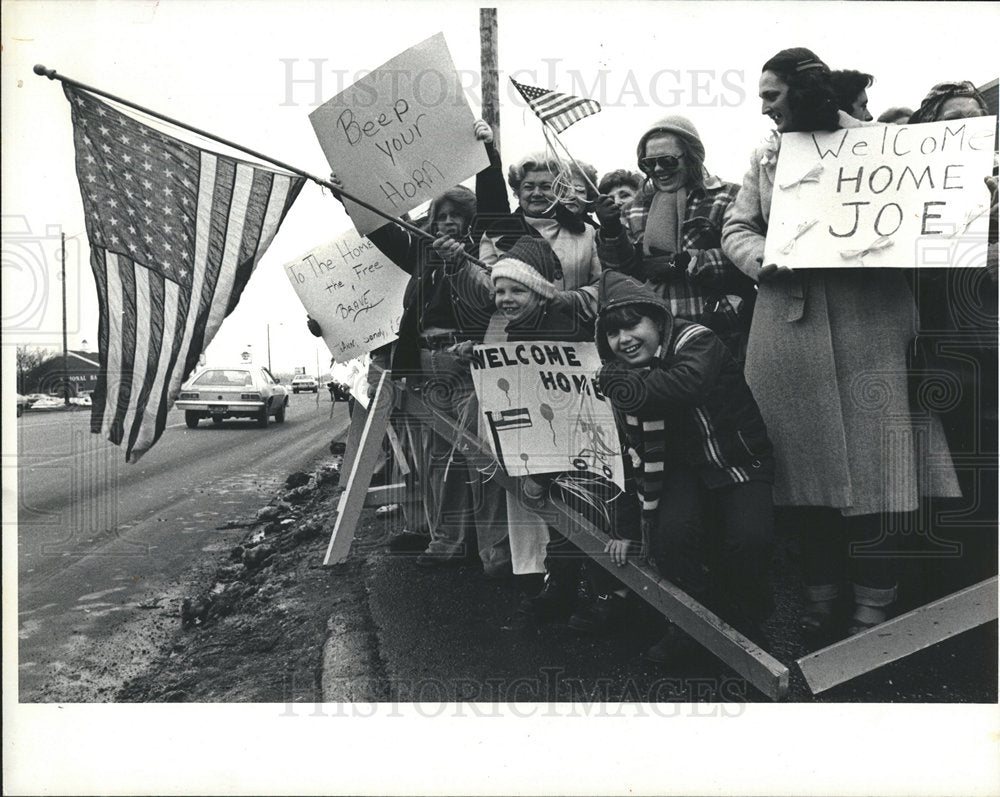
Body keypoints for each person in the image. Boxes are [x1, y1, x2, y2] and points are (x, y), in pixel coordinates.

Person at [721, 47, 961, 641]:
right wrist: (762, 260)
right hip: (789, 340)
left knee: (883, 479)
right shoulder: (767, 155)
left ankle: (873, 607)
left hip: (870, 334)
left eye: (771, 96)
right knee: (803, 484)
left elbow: (934, 222)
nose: (763, 108)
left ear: (803, 91)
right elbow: (736, 226)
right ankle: (820, 598)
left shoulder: (883, 148)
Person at [594, 270, 775, 660]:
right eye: (612, 333)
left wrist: (621, 384)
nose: (623, 340)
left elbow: (686, 386)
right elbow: (628, 453)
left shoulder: (696, 338)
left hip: (739, 459)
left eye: (631, 325)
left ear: (656, 319)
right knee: (671, 539)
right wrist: (626, 528)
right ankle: (695, 622)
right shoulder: (621, 374)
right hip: (683, 468)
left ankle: (746, 626)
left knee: (749, 540)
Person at [905, 80, 998, 592]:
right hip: (937, 355)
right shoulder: (909, 194)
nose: (966, 126)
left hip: (990, 356)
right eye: (952, 119)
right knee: (947, 477)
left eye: (975, 116)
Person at [594, 115, 756, 360]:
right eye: (648, 164)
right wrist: (610, 231)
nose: (658, 170)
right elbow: (621, 273)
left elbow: (743, 254)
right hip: (656, 337)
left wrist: (684, 263)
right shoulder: (633, 208)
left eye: (667, 161)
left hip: (717, 328)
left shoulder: (728, 197)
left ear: (692, 157)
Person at [475, 138, 602, 339]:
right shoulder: (495, 233)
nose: (536, 193)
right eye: (528, 186)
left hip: (572, 337)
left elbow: (601, 285)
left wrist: (568, 299)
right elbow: (484, 289)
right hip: (509, 339)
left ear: (559, 190)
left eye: (545, 186)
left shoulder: (587, 232)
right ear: (517, 192)